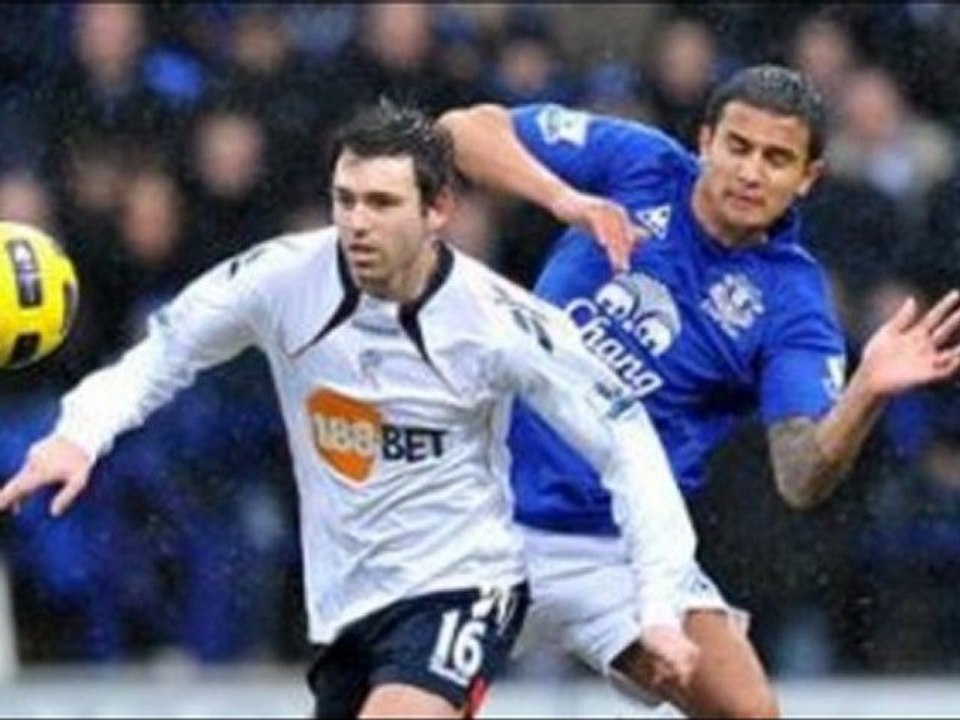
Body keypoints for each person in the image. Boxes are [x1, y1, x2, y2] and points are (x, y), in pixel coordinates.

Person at [0, 102, 700, 718]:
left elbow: (626, 443)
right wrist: (78, 437)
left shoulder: (503, 324)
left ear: (437, 212)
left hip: (464, 585)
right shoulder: (279, 277)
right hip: (347, 606)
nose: (357, 223)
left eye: (383, 204)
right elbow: (163, 352)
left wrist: (660, 608)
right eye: (346, 199)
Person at [439, 65, 960, 717]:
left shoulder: (793, 304)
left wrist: (866, 392)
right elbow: (459, 130)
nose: (750, 172)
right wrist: (562, 198)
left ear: (809, 178)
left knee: (750, 713)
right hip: (477, 508)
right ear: (705, 140)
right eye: (738, 147)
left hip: (619, 550)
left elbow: (800, 476)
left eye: (776, 159)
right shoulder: (640, 165)